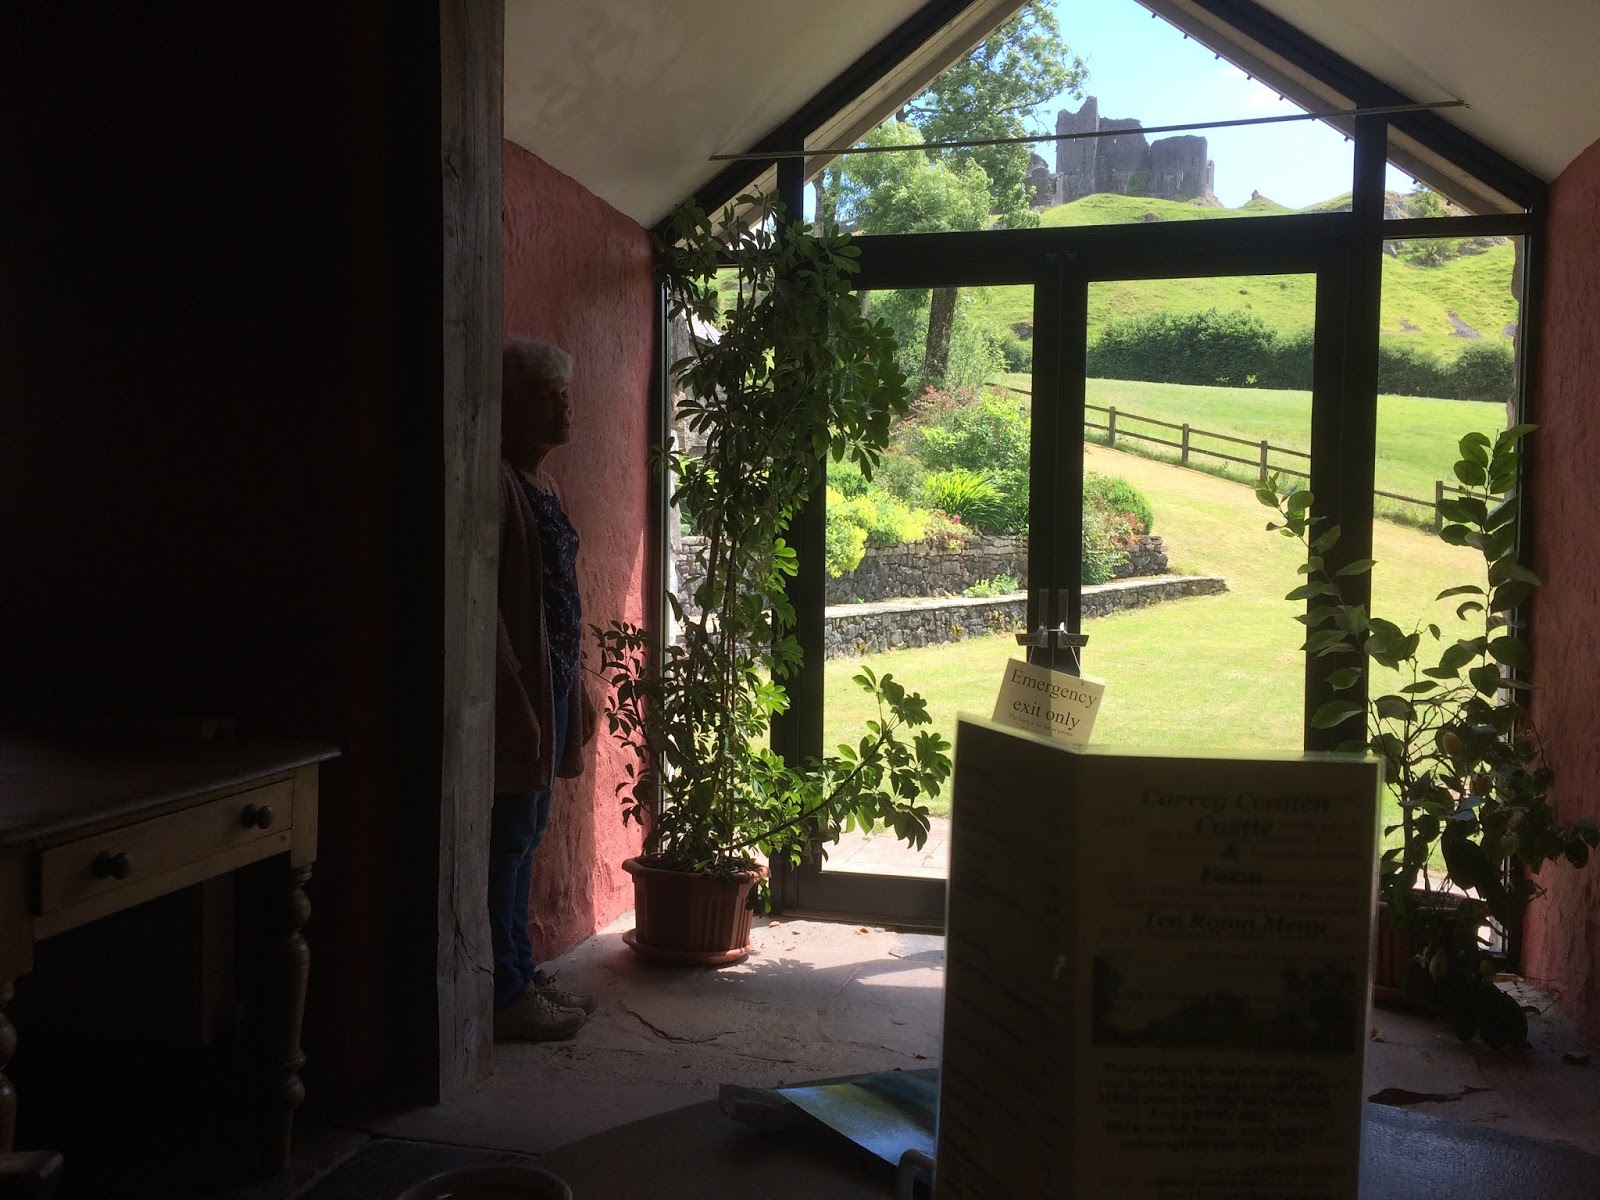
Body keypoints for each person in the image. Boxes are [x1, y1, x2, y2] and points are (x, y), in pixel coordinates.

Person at [492, 335, 599, 1042]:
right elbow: (489, 606)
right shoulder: (499, 484)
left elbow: (564, 597)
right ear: (510, 406)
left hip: (554, 680)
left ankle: (522, 973)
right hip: (521, 689)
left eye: (566, 394)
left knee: (528, 834)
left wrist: (579, 683)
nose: (564, 407)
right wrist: (514, 698)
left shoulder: (547, 486)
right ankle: (503, 990)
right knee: (508, 838)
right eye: (546, 395)